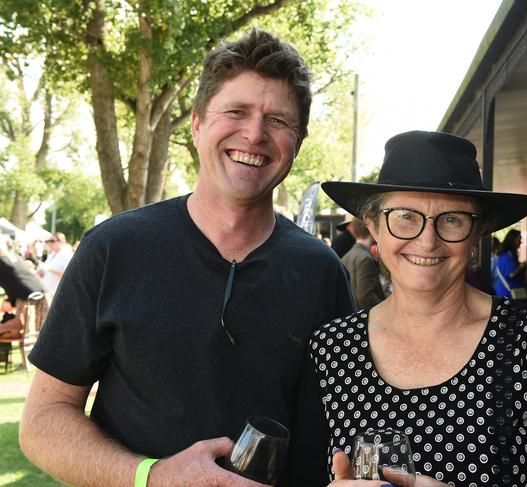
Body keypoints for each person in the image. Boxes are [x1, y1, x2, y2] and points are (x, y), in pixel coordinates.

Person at [20, 29, 355, 487]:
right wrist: (152, 476)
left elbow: (341, 432)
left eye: (278, 120)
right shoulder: (114, 248)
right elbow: (43, 421)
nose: (254, 134)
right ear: (197, 123)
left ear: (298, 141)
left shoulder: (322, 273)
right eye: (236, 112)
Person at [312, 130, 527, 486]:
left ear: (477, 235)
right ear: (374, 227)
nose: (427, 240)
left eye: (453, 219)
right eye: (405, 216)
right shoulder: (331, 349)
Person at [341, 218, 384, 309]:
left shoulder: (348, 255)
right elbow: (365, 297)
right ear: (372, 229)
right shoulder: (365, 258)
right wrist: (387, 309)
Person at [494, 229, 527, 301]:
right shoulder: (507, 256)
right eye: (519, 239)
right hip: (509, 293)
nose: (520, 242)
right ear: (513, 240)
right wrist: (524, 265)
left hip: (510, 292)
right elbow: (511, 274)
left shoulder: (508, 254)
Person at [37, 232, 73, 297]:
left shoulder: (67, 255)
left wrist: (52, 270)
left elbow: (69, 276)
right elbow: (47, 269)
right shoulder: (51, 254)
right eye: (48, 241)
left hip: (58, 294)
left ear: (61, 241)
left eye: (52, 241)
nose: (49, 243)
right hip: (47, 291)